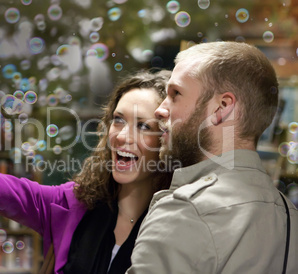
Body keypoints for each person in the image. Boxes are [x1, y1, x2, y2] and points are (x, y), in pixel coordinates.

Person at [0, 70, 173, 273]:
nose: (122, 136)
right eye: (118, 120)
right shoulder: (74, 203)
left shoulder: (179, 224)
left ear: (168, 139)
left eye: (143, 126)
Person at [127, 41, 298, 273]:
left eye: (176, 93)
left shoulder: (185, 212)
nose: (160, 109)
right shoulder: (289, 216)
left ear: (222, 107)